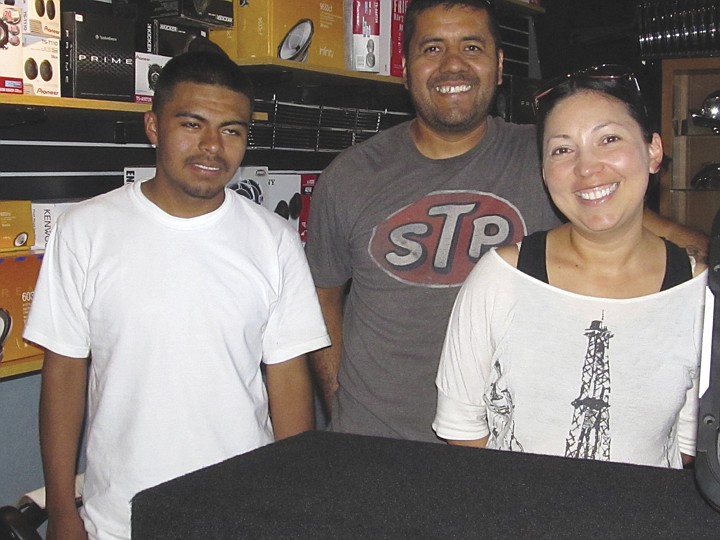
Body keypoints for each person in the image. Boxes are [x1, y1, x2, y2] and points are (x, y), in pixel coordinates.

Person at [306, 0, 707, 443]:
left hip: (503, 446)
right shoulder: (351, 175)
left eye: (472, 47)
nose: (452, 65)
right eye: (433, 48)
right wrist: (338, 400)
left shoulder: (553, 158)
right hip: (372, 440)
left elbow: (648, 234)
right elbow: (323, 296)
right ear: (406, 67)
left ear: (499, 66)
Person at [23, 51, 330, 540]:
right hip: (122, 517)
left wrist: (294, 505)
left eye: (232, 130)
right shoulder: (84, 231)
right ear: (153, 126)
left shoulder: (274, 239)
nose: (212, 146)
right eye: (192, 123)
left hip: (246, 512)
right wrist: (62, 511)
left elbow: (289, 381)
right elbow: (63, 373)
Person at [433, 64, 707, 468]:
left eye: (608, 139)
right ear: (544, 173)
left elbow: (687, 442)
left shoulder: (700, 292)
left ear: (653, 152)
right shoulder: (502, 278)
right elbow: (461, 426)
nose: (587, 167)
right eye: (563, 149)